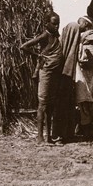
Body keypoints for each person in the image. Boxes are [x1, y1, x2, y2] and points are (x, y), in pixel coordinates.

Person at [20, 12, 64, 144]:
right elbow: (24, 46)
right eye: (54, 23)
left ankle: (49, 137)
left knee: (50, 105)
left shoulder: (56, 36)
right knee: (42, 104)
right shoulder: (45, 35)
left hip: (55, 73)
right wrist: (38, 55)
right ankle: (40, 137)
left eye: (58, 23)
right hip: (46, 72)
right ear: (47, 23)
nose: (56, 26)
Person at [53, 21, 83, 144]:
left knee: (68, 106)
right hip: (60, 79)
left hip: (68, 79)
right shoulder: (57, 47)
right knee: (60, 107)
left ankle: (67, 134)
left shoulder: (70, 48)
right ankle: (57, 135)